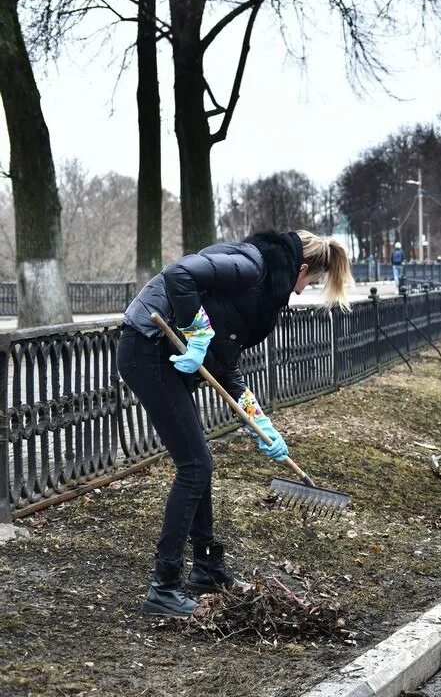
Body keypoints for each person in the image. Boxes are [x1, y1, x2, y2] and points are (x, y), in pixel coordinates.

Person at [118, 230, 353, 617]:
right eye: (308, 283)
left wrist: (258, 421)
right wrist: (196, 333)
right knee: (195, 466)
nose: (300, 293)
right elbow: (179, 275)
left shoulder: (260, 295)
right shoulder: (251, 267)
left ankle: (208, 567)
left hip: (164, 355)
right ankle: (164, 587)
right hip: (146, 346)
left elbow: (226, 365)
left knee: (198, 462)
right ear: (303, 267)